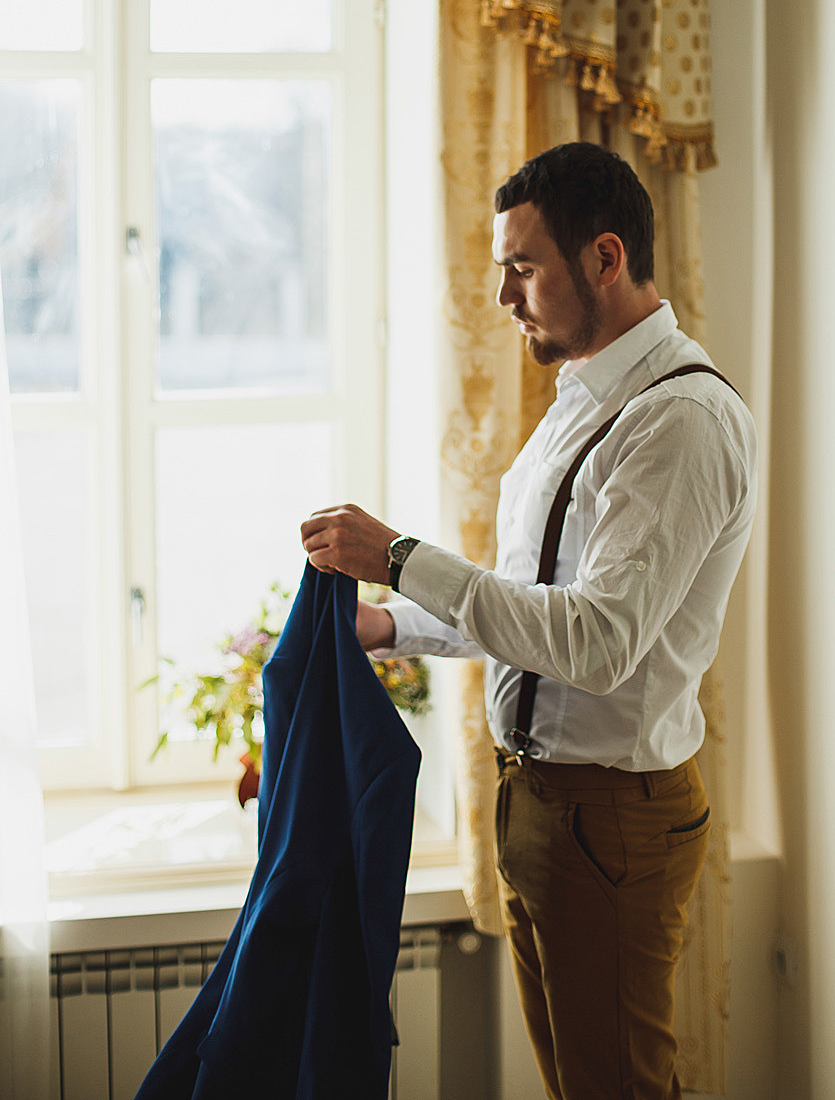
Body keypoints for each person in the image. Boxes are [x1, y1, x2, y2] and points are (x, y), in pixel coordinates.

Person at [300, 141, 758, 1100]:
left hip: (611, 817)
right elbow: (532, 610)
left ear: (603, 257)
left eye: (522, 266)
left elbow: (595, 642)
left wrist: (398, 556)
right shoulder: (581, 398)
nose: (503, 296)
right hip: (541, 805)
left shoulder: (677, 421)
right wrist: (391, 627)